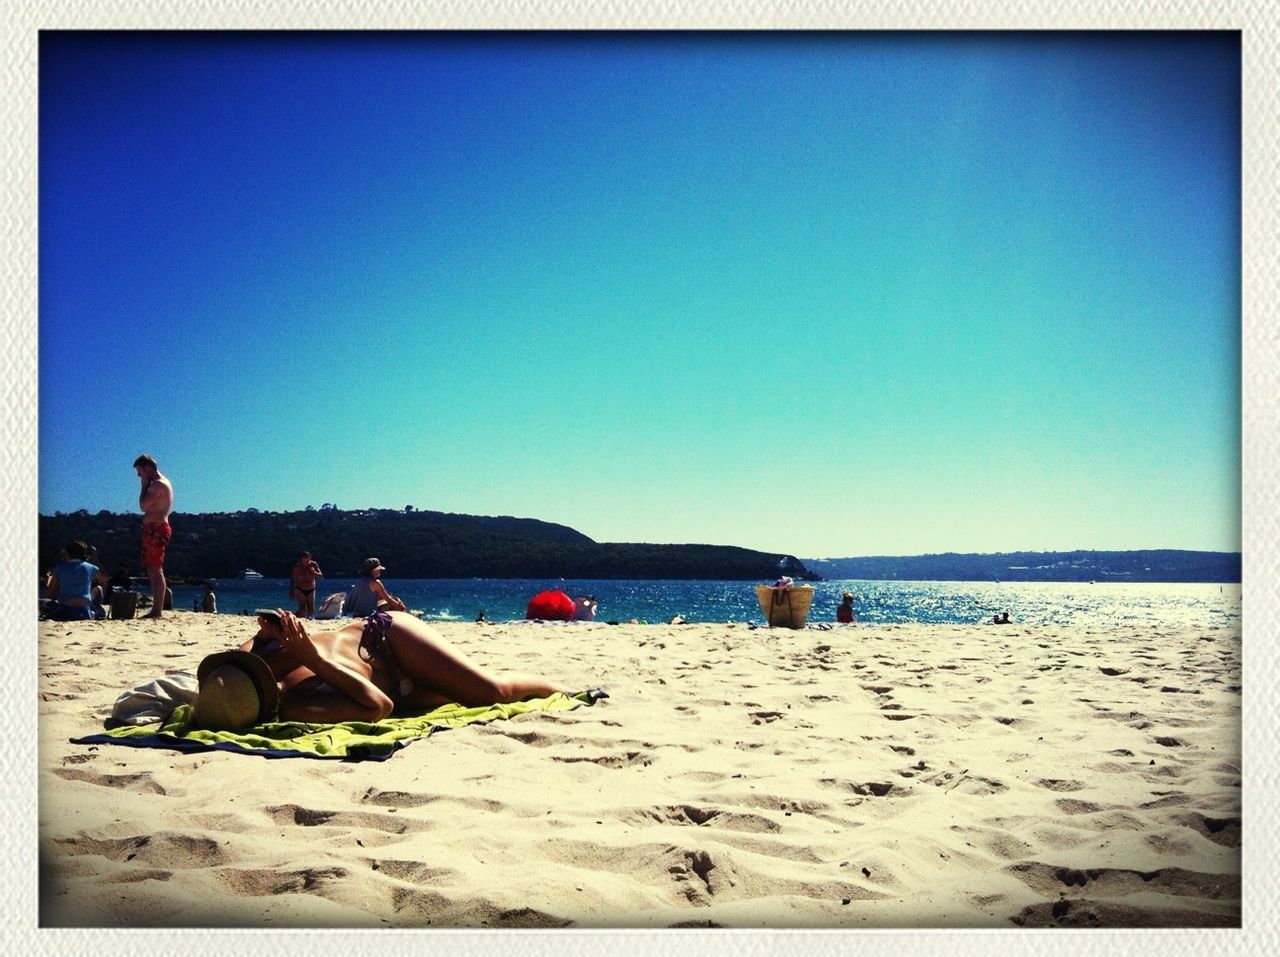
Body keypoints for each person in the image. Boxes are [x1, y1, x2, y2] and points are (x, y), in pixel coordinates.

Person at [192, 608, 570, 729]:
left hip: (389, 640)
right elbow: (379, 707)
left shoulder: (255, 650)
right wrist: (314, 661)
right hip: (397, 691)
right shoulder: (295, 705)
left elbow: (259, 633)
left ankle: (557, 689)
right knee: (458, 694)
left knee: (492, 693)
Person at [133, 454, 174, 620]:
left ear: (147, 468)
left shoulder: (157, 485)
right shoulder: (159, 483)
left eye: (140, 472)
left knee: (156, 569)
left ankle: (157, 610)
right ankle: (157, 609)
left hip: (156, 529)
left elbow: (143, 505)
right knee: (153, 569)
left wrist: (143, 485)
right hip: (154, 528)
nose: (139, 476)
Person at [43, 540, 108, 621]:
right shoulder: (92, 568)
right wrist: (95, 559)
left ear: (67, 553)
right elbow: (104, 579)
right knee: (98, 590)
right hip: (85, 611)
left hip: (65, 609)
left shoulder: (60, 568)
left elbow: (49, 592)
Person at [290, 551, 324, 618]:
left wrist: (314, 572)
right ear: (302, 559)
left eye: (308, 560)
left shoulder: (313, 565)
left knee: (311, 609)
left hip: (311, 589)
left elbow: (321, 576)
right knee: (302, 609)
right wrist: (292, 591)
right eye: (305, 560)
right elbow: (293, 578)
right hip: (300, 589)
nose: (306, 562)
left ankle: (309, 621)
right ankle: (294, 616)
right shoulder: (298, 567)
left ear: (310, 558)